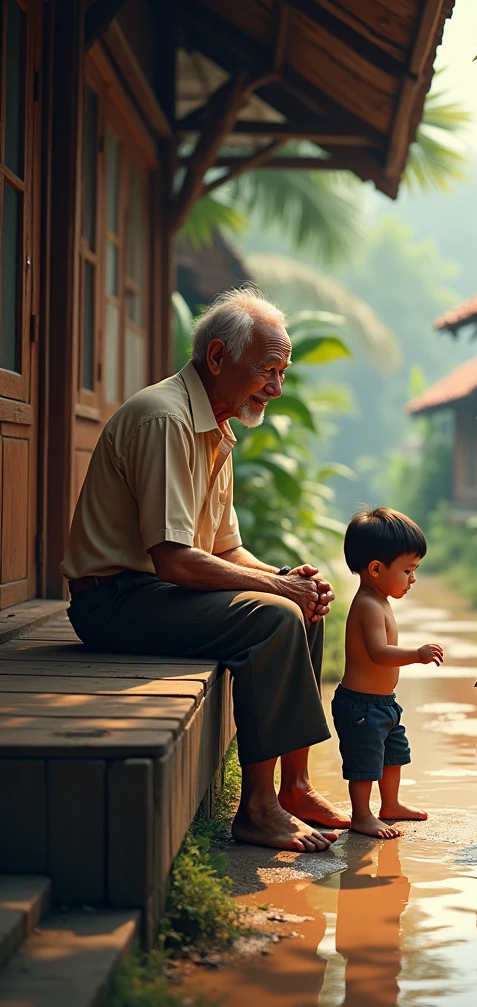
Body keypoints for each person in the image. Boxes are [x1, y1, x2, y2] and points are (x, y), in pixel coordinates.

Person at [61, 288, 350, 853]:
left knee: (298, 603)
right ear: (217, 357)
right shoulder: (165, 418)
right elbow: (173, 559)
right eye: (267, 370)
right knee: (274, 617)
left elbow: (225, 549)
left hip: (156, 593)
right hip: (113, 601)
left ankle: (295, 786)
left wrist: (292, 581)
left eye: (282, 372)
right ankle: (257, 810)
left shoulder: (216, 427)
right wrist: (276, 588)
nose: (276, 387)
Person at [332, 507, 444, 838]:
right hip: (361, 705)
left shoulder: (380, 599)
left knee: (393, 754)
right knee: (365, 763)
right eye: (408, 570)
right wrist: (417, 655)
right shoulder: (367, 604)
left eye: (415, 570)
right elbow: (379, 654)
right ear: (377, 569)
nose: (413, 578)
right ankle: (362, 815)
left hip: (383, 704)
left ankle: (390, 804)